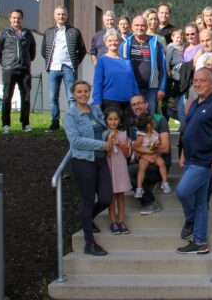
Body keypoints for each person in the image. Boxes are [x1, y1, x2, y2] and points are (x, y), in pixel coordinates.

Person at [176, 68, 212, 255]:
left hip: (204, 161)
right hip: (190, 159)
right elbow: (189, 129)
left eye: (202, 81)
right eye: (195, 81)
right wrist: (183, 152)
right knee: (200, 201)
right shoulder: (194, 103)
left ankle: (190, 219)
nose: (197, 84)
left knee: (183, 191)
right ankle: (200, 242)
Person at [62, 80, 112, 256]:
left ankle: (86, 218)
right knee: (88, 199)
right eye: (79, 92)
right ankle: (89, 244)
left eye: (86, 91)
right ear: (74, 94)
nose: (83, 94)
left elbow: (104, 130)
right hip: (84, 162)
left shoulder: (95, 111)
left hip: (101, 160)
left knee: (106, 198)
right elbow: (75, 141)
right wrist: (101, 145)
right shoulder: (70, 115)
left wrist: (110, 137)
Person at [42, 5, 87, 131]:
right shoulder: (48, 32)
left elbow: (82, 50)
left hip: (68, 68)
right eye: (58, 14)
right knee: (53, 98)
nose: (61, 16)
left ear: (67, 16)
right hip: (53, 68)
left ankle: (74, 123)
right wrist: (50, 63)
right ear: (54, 16)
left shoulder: (74, 31)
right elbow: (43, 51)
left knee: (72, 97)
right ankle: (55, 123)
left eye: (63, 14)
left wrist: (75, 63)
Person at [0, 8, 36, 133]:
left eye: (19, 18)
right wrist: (5, 63)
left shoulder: (28, 34)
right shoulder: (3, 33)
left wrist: (26, 62)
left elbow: (32, 51)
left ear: (22, 19)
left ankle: (25, 124)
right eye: (14, 17)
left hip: (24, 70)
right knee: (7, 97)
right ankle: (6, 124)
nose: (16, 20)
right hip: (9, 70)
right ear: (10, 18)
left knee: (26, 98)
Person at [127, 95, 171, 215]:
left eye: (139, 103)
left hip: (159, 162)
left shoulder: (158, 119)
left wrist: (148, 153)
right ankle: (145, 186)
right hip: (143, 161)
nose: (137, 106)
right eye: (134, 104)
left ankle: (150, 203)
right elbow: (135, 150)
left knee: (129, 171)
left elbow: (165, 147)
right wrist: (142, 155)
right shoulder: (133, 124)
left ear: (146, 104)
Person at [92, 29, 139, 130]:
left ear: (120, 41)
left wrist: (137, 98)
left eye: (115, 40)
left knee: (128, 130)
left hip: (128, 101)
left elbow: (133, 82)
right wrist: (97, 101)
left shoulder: (126, 61)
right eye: (110, 40)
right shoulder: (102, 60)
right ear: (105, 43)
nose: (113, 43)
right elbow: (97, 82)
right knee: (113, 132)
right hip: (110, 100)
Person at [120, 15, 167, 111]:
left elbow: (162, 67)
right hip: (132, 88)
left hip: (151, 89)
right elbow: (119, 68)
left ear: (147, 27)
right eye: (137, 25)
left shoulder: (155, 44)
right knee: (132, 115)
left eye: (142, 25)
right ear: (132, 27)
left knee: (150, 116)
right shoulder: (125, 44)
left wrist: (161, 88)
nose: (139, 28)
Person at [104, 107, 132, 235]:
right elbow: (108, 154)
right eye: (110, 119)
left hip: (120, 166)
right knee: (112, 196)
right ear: (106, 120)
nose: (113, 122)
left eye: (115, 119)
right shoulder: (104, 134)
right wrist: (110, 139)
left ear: (119, 120)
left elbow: (127, 154)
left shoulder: (123, 134)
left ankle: (121, 221)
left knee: (120, 194)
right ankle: (113, 222)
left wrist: (120, 143)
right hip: (110, 167)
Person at [133, 113, 171, 197]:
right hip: (144, 156)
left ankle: (165, 183)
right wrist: (146, 153)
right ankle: (139, 188)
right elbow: (135, 147)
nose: (154, 122)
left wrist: (156, 144)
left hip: (153, 153)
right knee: (142, 168)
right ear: (147, 125)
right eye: (152, 122)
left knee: (162, 163)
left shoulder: (155, 134)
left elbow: (153, 147)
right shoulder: (141, 137)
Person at [165, 28, 186, 121]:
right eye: (177, 37)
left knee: (179, 84)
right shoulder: (171, 46)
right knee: (175, 83)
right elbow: (167, 59)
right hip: (174, 67)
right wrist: (167, 69)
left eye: (181, 38)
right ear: (172, 37)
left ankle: (173, 99)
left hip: (181, 67)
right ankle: (171, 99)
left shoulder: (183, 46)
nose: (179, 40)